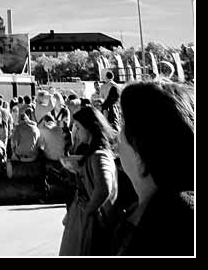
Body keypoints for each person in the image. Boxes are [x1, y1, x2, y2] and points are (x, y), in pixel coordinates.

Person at [113, 81, 194, 256]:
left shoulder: (178, 220)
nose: (117, 136)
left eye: (123, 125)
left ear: (140, 146)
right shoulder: (138, 206)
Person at [59, 105, 118, 256]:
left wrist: (88, 212)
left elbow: (104, 188)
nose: (76, 132)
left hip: (92, 221)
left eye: (78, 127)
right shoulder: (97, 154)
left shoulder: (99, 155)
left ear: (89, 127)